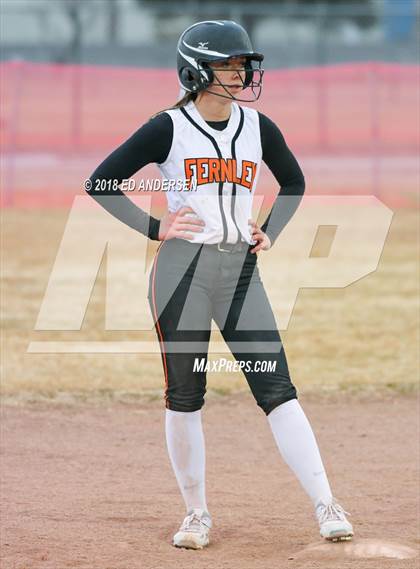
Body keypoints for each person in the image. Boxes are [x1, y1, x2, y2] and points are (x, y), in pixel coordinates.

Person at [87, 20, 354, 550]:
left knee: (277, 388)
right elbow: (102, 181)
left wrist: (269, 232)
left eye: (242, 65)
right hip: (181, 273)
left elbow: (294, 180)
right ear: (197, 70)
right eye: (230, 65)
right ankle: (196, 514)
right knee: (185, 395)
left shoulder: (258, 126)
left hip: (238, 274)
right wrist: (155, 228)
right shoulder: (168, 127)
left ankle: (327, 503)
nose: (241, 73)